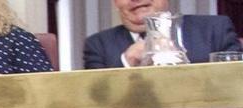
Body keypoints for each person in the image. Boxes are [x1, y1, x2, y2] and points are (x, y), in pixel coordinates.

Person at [84, 0, 241, 68]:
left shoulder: (214, 29)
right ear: (115, 2)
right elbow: (96, 101)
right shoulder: (97, 46)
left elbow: (236, 84)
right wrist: (126, 62)